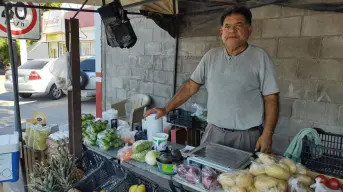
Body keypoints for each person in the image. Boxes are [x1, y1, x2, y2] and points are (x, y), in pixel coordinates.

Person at [144, 6, 279, 154]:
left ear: (249, 30)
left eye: (238, 26)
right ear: (221, 32)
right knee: (207, 175)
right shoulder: (211, 56)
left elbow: (271, 99)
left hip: (245, 136)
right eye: (227, 26)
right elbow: (190, 86)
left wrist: (267, 134)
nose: (232, 31)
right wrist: (165, 109)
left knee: (240, 176)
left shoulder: (260, 57)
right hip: (213, 132)